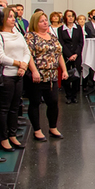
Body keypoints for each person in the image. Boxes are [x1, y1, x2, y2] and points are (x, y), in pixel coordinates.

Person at [26, 11, 68, 141]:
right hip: (38, 75)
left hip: (52, 75)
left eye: (45, 20)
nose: (45, 23)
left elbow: (59, 53)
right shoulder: (30, 36)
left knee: (53, 102)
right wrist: (34, 71)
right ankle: (37, 130)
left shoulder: (52, 36)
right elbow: (28, 55)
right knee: (35, 102)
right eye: (42, 21)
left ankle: (53, 127)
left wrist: (64, 70)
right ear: (35, 23)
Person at [0, 6, 31, 152]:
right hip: (6, 75)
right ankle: (3, 138)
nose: (13, 19)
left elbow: (26, 51)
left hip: (19, 75)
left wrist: (24, 65)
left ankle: (13, 134)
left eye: (13, 16)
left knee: (15, 107)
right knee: (4, 108)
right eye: (9, 16)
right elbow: (0, 57)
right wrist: (18, 63)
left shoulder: (17, 33)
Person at [57, 9, 84, 103]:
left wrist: (76, 54)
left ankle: (74, 95)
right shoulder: (60, 29)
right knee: (66, 75)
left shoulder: (78, 28)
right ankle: (68, 95)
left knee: (77, 75)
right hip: (66, 56)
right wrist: (69, 55)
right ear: (65, 17)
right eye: (68, 16)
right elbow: (61, 43)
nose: (71, 18)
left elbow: (81, 42)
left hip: (77, 55)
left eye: (72, 16)